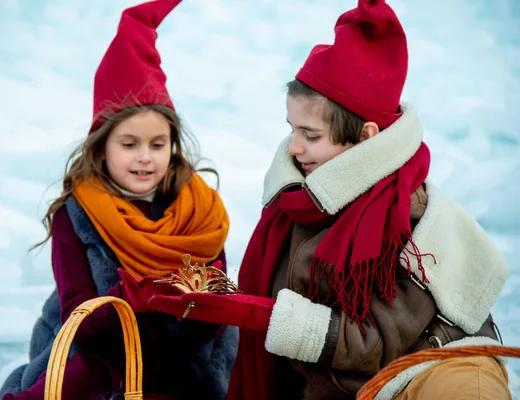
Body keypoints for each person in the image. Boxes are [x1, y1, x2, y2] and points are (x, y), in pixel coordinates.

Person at [148, 0, 511, 399]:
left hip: (431, 366)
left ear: (367, 138)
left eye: (312, 135)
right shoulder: (297, 206)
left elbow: (370, 343)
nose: (295, 148)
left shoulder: (412, 219)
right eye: (293, 129)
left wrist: (265, 316)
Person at [0, 1, 237, 399]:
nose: (145, 156)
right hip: (96, 354)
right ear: (101, 145)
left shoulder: (201, 211)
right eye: (129, 144)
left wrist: (202, 305)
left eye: (157, 144)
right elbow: (81, 313)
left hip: (184, 356)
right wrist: (138, 296)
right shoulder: (75, 214)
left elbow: (213, 316)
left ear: (172, 146)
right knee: (82, 380)